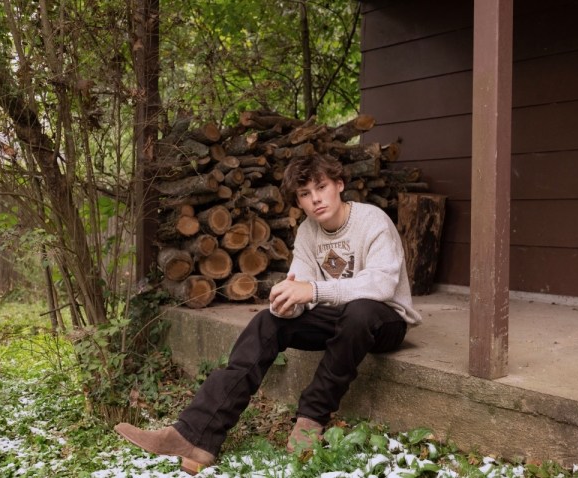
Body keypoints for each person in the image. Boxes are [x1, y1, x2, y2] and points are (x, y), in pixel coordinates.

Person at [115, 154, 422, 475]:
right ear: (299, 201)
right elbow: (300, 285)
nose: (315, 199)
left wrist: (312, 291)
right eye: (305, 194)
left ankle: (312, 418)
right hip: (339, 316)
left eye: (322, 187)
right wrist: (287, 304)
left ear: (339, 185)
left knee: (359, 311)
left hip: (385, 320)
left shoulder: (372, 220)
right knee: (268, 321)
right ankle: (196, 435)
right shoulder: (308, 231)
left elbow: (381, 285)